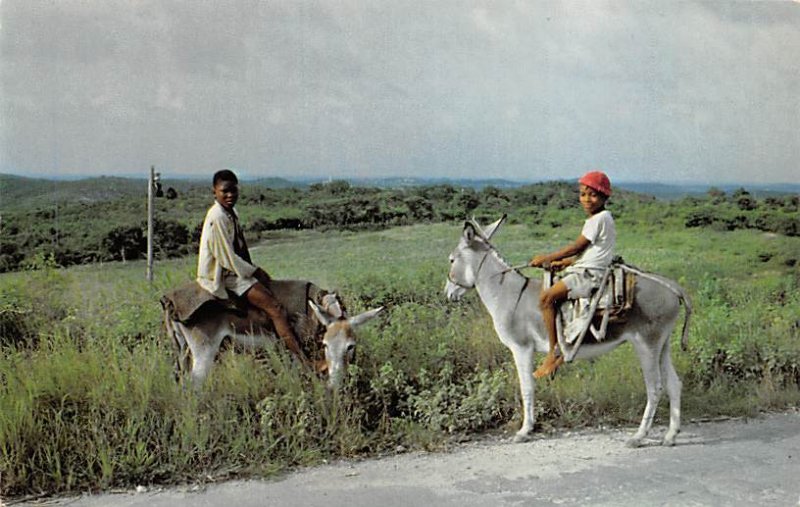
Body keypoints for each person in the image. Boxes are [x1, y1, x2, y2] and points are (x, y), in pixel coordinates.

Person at [196, 169, 308, 364]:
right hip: (224, 274)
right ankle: (305, 361)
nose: (230, 195)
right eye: (225, 191)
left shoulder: (230, 212)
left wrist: (254, 271)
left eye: (233, 191)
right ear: (214, 191)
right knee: (276, 309)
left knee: (269, 289)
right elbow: (226, 257)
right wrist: (253, 271)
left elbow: (239, 249)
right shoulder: (218, 217)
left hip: (234, 269)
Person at [528, 171, 616, 379]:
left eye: (593, 195)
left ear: (604, 198)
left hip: (589, 274)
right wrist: (565, 263)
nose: (587, 199)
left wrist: (547, 258)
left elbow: (577, 247)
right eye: (583, 194)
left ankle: (554, 351)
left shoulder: (598, 219)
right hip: (587, 266)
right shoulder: (602, 218)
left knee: (545, 299)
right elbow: (592, 252)